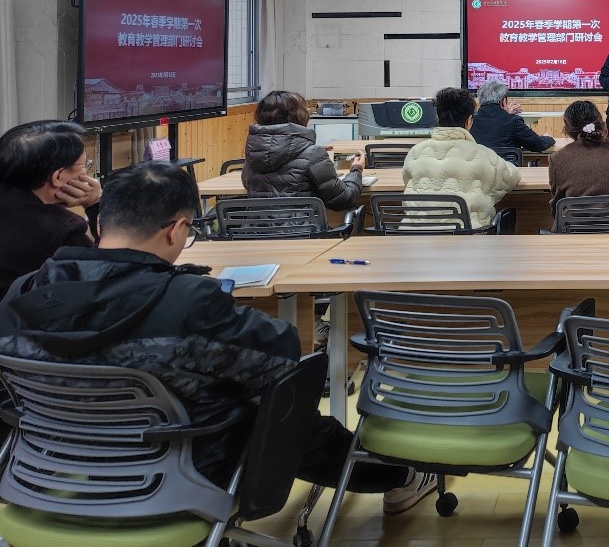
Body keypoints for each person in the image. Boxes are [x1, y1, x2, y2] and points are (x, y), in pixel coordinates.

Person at [0, 162, 435, 514]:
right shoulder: (188, 301)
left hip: (48, 471)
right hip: (179, 473)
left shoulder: (25, 292)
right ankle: (396, 476)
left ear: (101, 223)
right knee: (282, 404)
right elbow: (282, 354)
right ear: (176, 230)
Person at [0, 120, 100, 295]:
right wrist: (95, 204)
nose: (86, 173)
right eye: (84, 165)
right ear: (58, 176)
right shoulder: (62, 229)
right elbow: (106, 272)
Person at [402, 87, 520, 227]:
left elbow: (408, 182)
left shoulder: (415, 153)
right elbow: (511, 177)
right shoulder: (483, 154)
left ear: (438, 117)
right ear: (469, 121)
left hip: (415, 234)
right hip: (468, 235)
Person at [242, 90, 364, 210]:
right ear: (299, 116)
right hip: (303, 223)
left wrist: (309, 153)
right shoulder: (313, 155)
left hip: (255, 223)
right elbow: (343, 200)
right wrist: (356, 170)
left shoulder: (254, 153)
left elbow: (250, 184)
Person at [547, 101, 609, 211]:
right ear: (600, 122)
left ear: (568, 130)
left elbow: (557, 206)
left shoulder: (558, 158)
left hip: (577, 222)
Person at [470, 79, 556, 155]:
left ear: (480, 100)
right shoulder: (513, 121)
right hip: (506, 167)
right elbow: (538, 145)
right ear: (504, 101)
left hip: (479, 168)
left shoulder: (469, 120)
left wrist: (505, 114)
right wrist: (549, 138)